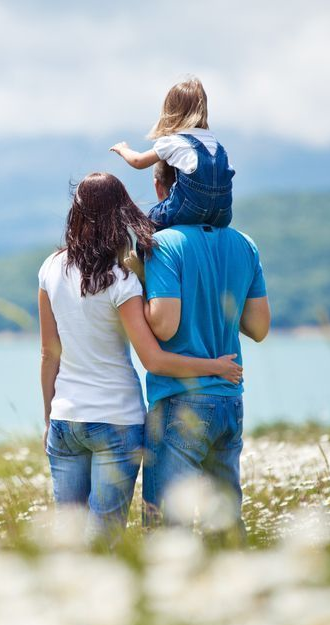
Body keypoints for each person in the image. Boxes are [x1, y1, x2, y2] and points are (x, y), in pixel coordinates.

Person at [38, 172, 243, 544]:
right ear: (119, 215)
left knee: (66, 539)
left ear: (77, 213)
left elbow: (49, 353)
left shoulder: (50, 268)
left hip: (65, 419)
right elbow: (154, 359)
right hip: (116, 420)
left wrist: (48, 416)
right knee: (106, 541)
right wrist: (214, 367)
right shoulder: (122, 281)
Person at [140, 165, 271, 536]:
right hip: (230, 399)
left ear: (160, 185)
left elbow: (164, 324)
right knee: (225, 525)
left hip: (180, 400)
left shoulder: (163, 244)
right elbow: (259, 328)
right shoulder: (245, 244)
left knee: (168, 526)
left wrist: (139, 280)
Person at [109, 77, 235, 230]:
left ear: (170, 111)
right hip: (222, 213)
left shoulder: (174, 141)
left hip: (190, 208)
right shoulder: (216, 144)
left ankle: (141, 254)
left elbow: (138, 161)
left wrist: (123, 150)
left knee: (150, 222)